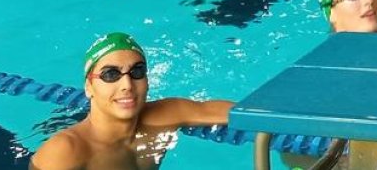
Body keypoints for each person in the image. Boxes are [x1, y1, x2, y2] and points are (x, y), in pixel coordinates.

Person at [30, 32, 233, 170]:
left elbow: (244, 112)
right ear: (89, 87)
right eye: (111, 74)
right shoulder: (65, 151)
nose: (127, 84)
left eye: (137, 71)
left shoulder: (165, 115)